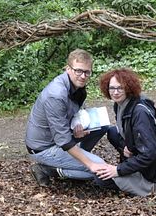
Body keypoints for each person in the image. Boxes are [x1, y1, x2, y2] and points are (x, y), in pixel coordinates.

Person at [25, 49, 117, 186]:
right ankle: (47, 169)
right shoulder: (56, 95)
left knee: (102, 125)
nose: (83, 76)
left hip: (59, 135)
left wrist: (77, 125)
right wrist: (90, 164)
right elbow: (63, 140)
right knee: (100, 168)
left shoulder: (76, 85)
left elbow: (74, 113)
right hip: (44, 147)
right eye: (78, 71)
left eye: (87, 72)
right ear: (68, 69)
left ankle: (75, 160)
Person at [94, 68, 156, 196]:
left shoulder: (139, 112)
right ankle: (129, 169)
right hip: (141, 156)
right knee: (112, 132)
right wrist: (127, 146)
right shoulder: (120, 105)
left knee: (100, 178)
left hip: (152, 178)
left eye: (120, 88)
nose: (115, 92)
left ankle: (140, 184)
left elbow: (150, 154)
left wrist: (118, 170)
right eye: (112, 88)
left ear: (128, 88)